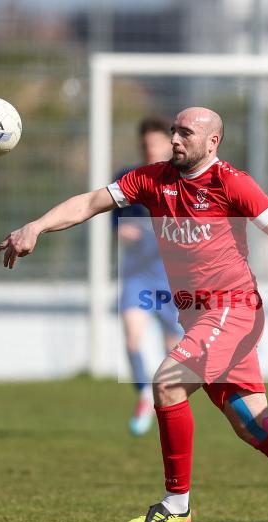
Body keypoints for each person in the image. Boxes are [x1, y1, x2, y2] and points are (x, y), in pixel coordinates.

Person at [0, 106, 268, 522]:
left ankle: (176, 505)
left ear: (212, 142)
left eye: (185, 133)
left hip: (234, 310)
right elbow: (90, 203)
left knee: (167, 383)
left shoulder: (231, 182)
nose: (175, 139)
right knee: (254, 425)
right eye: (173, 131)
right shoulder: (153, 178)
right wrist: (36, 226)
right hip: (198, 316)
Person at [113, 116, 183, 436]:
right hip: (137, 275)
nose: (150, 149)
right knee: (132, 336)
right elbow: (115, 221)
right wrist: (123, 231)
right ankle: (144, 393)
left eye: (155, 143)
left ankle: (167, 403)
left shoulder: (181, 181)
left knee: (173, 346)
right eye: (146, 144)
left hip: (171, 277)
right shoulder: (128, 178)